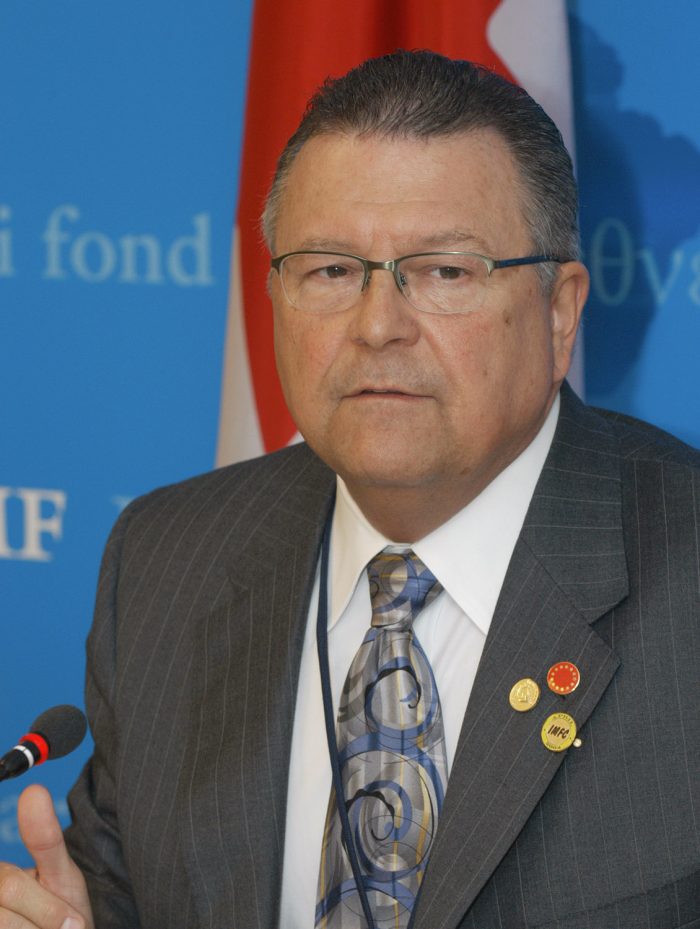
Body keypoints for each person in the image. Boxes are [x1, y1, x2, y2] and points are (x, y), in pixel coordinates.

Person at [1, 50, 699, 929]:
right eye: (330, 270)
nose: (377, 325)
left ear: (559, 311)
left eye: (445, 271)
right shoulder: (166, 560)